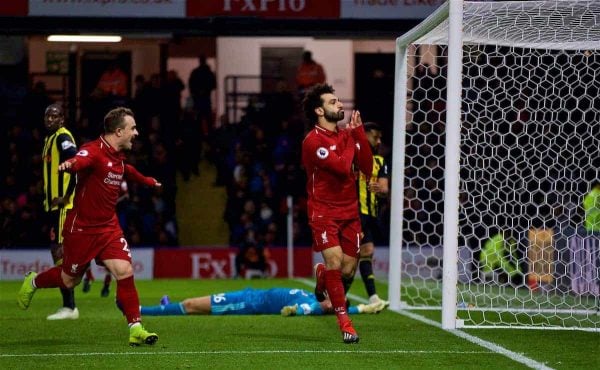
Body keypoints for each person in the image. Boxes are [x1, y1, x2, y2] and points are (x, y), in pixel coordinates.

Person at [17, 107, 161, 347]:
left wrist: (147, 181)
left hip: (108, 228)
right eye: (132, 128)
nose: (136, 132)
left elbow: (129, 171)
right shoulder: (94, 150)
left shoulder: (118, 157)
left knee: (124, 271)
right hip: (81, 229)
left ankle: (135, 327)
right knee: (69, 280)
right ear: (118, 131)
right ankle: (33, 281)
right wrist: (70, 165)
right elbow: (81, 158)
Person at [301, 83, 373, 344]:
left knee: (346, 270)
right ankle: (346, 323)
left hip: (350, 212)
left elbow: (366, 166)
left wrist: (359, 134)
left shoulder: (347, 135)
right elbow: (343, 169)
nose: (340, 104)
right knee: (334, 261)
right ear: (319, 110)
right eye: (333, 102)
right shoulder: (313, 141)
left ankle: (322, 278)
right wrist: (352, 139)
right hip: (323, 212)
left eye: (338, 100)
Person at [41, 103, 80, 320]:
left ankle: (70, 307)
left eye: (54, 116)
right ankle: (68, 304)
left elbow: (75, 161)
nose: (50, 119)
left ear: (62, 119)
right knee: (57, 252)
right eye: (47, 116)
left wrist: (66, 196)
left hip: (63, 206)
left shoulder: (62, 137)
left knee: (60, 252)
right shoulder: (48, 139)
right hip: (53, 206)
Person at [138, 287, 387, 317]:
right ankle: (166, 304)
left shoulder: (312, 307)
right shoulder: (315, 299)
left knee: (192, 305)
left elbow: (301, 310)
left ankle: (142, 311)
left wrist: (291, 310)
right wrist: (364, 307)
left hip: (246, 303)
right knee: (192, 302)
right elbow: (349, 308)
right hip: (249, 293)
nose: (333, 304)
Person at [353, 122, 390, 308]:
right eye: (375, 136)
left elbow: (384, 189)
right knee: (350, 259)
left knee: (366, 252)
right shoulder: (352, 156)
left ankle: (373, 298)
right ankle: (333, 299)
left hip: (370, 214)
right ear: (364, 134)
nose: (379, 140)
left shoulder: (380, 162)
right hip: (353, 213)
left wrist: (380, 190)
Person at [188, 55, 216, 138]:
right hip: (204, 97)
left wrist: (196, 92)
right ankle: (208, 135)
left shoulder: (196, 72)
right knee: (205, 118)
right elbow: (213, 84)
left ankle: (201, 134)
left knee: (201, 118)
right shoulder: (208, 72)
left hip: (200, 98)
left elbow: (191, 84)